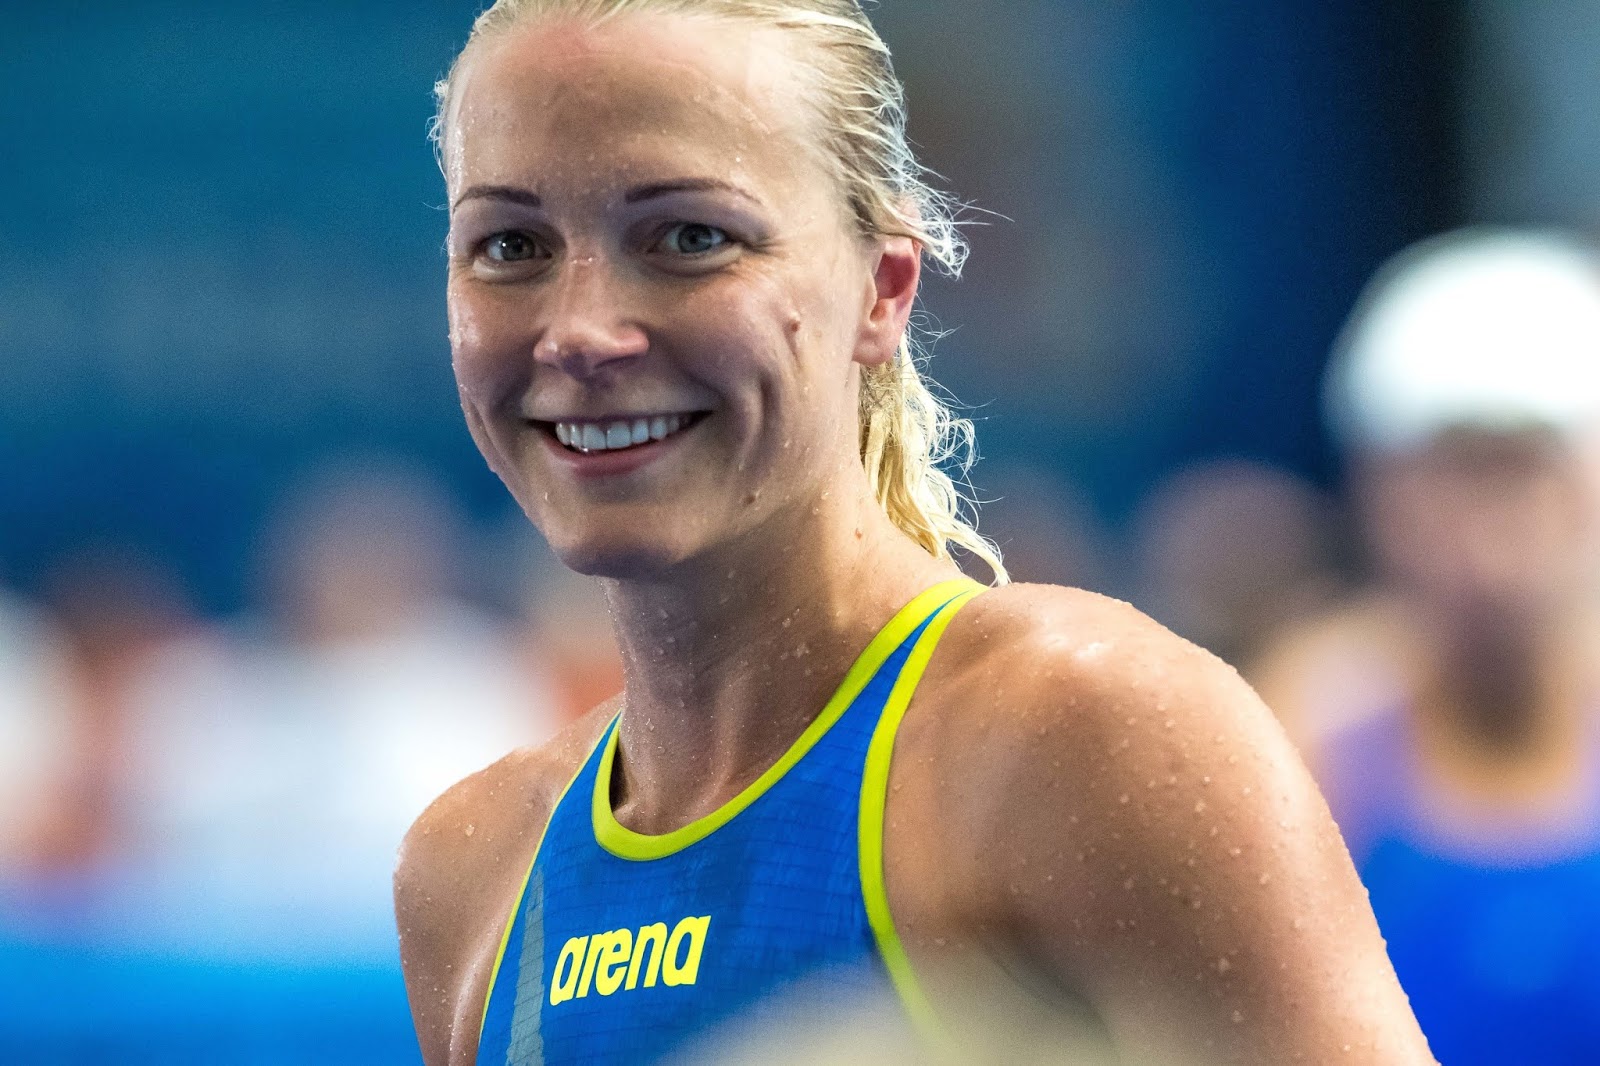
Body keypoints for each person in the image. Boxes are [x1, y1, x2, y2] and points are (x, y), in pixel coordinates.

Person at [394, 2, 1431, 1063]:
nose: (579, 333)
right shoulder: (475, 869)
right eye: (509, 245)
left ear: (883, 288)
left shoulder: (1079, 736)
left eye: (691, 238)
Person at [1264, 229, 1600, 1063]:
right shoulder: (1306, 734)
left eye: (1523, 470)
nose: (1490, 534)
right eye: (1452, 475)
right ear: (1373, 492)